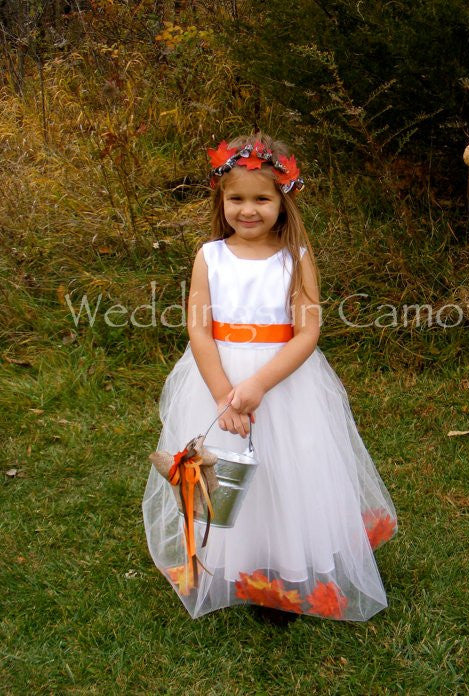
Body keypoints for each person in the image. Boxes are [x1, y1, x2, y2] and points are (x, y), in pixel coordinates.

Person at [142, 132, 397, 621]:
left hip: (282, 380)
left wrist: (257, 385)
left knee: (289, 468)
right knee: (229, 469)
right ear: (222, 199)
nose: (248, 209)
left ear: (283, 201)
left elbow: (307, 331)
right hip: (218, 377)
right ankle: (239, 560)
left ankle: (289, 565)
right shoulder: (209, 256)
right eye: (236, 198)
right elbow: (198, 327)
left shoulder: (295, 257)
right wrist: (224, 393)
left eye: (262, 198)